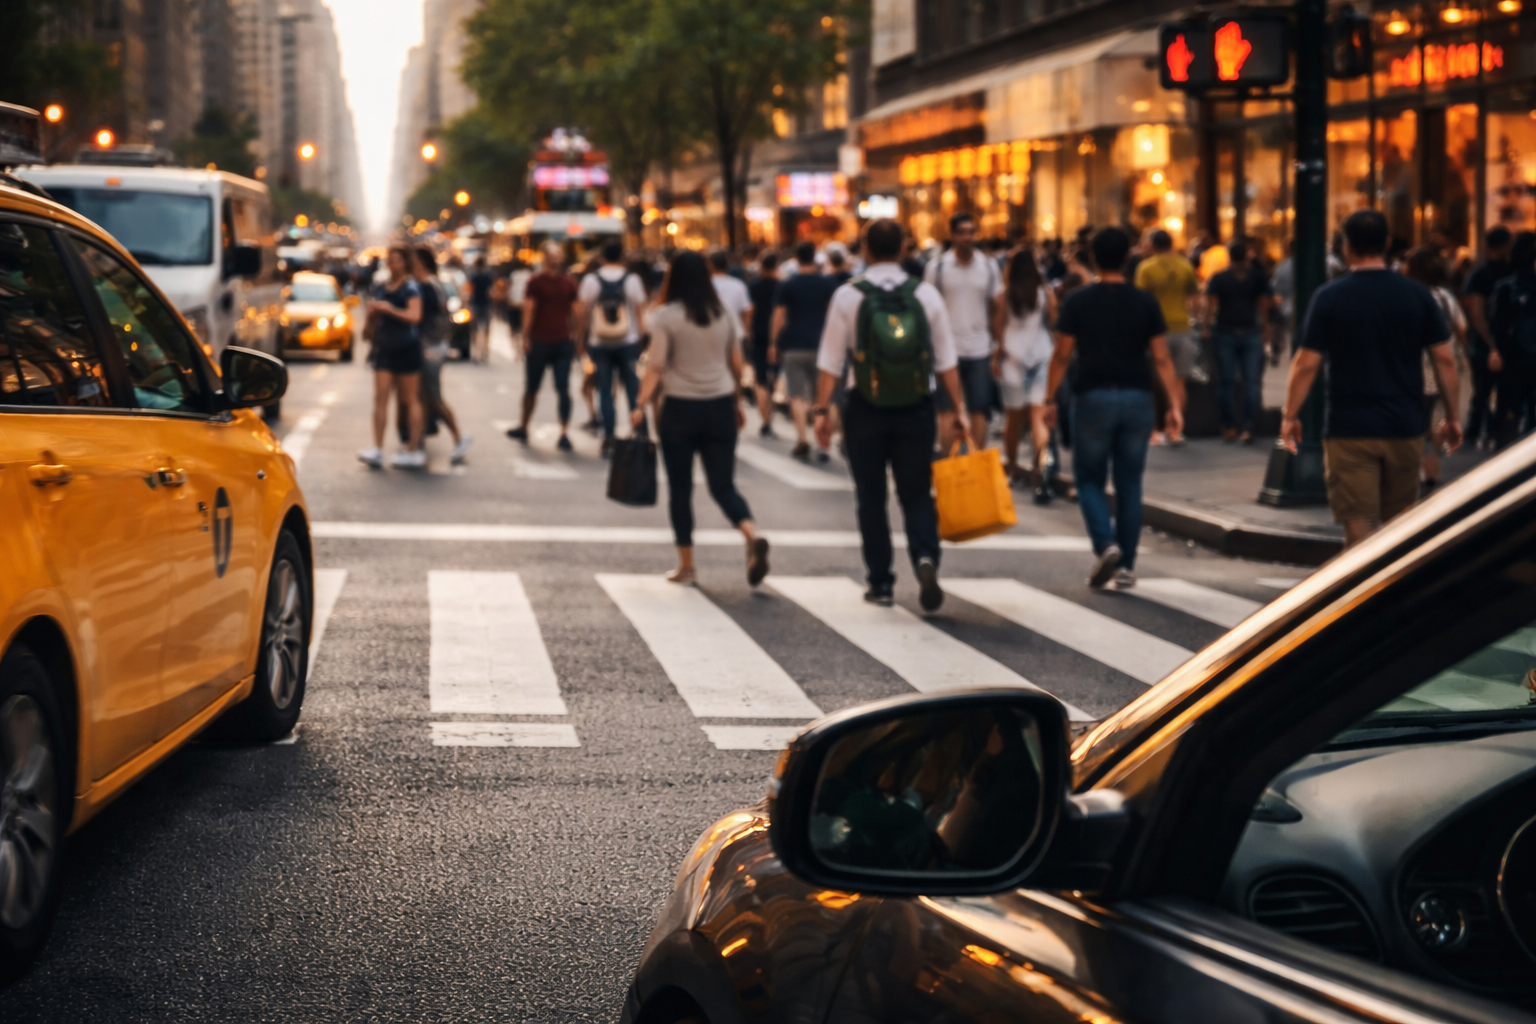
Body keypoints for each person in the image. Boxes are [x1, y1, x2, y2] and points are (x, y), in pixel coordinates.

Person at [812, 218, 971, 611]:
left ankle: (880, 582)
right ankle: (925, 556)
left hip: (864, 406)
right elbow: (946, 360)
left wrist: (820, 411)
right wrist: (959, 408)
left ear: (864, 250)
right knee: (916, 492)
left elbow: (830, 362)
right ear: (903, 249)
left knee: (871, 496)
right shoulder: (926, 295)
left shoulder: (849, 296)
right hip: (916, 406)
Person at [1281, 209, 1460, 549]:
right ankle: (1395, 598)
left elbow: (1306, 364)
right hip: (1404, 425)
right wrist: (1452, 417)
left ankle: (1360, 598)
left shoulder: (1329, 296)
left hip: (1350, 428)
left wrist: (1290, 415)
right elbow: (1445, 359)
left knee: (1358, 529)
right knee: (1400, 526)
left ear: (1347, 247)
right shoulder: (1418, 294)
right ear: (1388, 244)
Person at [1044, 227, 1184, 590]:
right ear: (1128, 258)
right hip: (1138, 399)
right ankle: (1127, 566)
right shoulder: (1144, 302)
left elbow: (1061, 354)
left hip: (1092, 397)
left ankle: (1106, 543)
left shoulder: (1077, 302)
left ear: (1092, 258)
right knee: (1129, 484)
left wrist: (1048, 398)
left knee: (1089, 479)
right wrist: (1173, 405)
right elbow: (1161, 358)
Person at [631, 250, 769, 587]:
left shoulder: (666, 316)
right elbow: (736, 364)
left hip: (680, 407)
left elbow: (657, 364)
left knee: (680, 489)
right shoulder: (723, 313)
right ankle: (751, 533)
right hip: (720, 404)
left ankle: (687, 565)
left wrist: (640, 402)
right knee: (723, 485)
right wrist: (737, 402)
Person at [925, 212, 1001, 452]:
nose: (968, 237)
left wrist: (998, 346)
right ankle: (951, 467)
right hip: (947, 351)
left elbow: (996, 307)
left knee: (979, 409)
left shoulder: (988, 267)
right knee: (947, 410)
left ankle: (976, 466)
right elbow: (928, 310)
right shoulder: (936, 268)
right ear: (952, 235)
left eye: (971, 232)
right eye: (962, 232)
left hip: (981, 348)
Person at [991, 245, 1056, 490]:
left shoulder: (1004, 294)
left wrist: (997, 355)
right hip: (1042, 354)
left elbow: (997, 328)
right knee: (1039, 418)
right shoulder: (1044, 292)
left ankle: (1011, 468)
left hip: (1012, 358)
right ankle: (1042, 470)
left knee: (1013, 419)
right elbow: (1053, 320)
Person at [508, 242, 581, 452]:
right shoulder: (539, 282)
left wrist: (577, 336)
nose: (556, 259)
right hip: (545, 341)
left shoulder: (564, 282)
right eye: (554, 255)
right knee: (536, 387)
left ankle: (561, 430)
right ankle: (526, 425)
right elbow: (530, 309)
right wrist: (525, 337)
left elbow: (575, 311)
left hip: (557, 341)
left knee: (559, 388)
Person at [359, 245, 427, 469]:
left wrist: (389, 309)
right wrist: (372, 315)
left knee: (409, 400)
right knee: (380, 398)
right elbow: (371, 319)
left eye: (397, 260)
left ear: (405, 262)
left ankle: (413, 449)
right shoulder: (380, 286)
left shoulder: (411, 287)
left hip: (407, 347)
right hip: (384, 347)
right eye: (390, 260)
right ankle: (377, 448)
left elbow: (415, 316)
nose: (392, 264)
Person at [771, 241, 840, 461]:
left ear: (796, 259)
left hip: (794, 345)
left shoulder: (788, 285)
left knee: (797, 395)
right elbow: (833, 315)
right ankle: (823, 444)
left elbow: (779, 316)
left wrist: (774, 343)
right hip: (822, 347)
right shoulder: (826, 284)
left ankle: (802, 438)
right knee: (822, 397)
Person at [1403, 246, 1466, 488]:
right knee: (1430, 422)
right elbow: (1461, 329)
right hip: (1443, 371)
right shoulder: (1446, 297)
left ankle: (1426, 472)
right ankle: (1431, 471)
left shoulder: (1410, 297)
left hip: (1417, 369)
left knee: (1420, 427)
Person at [577, 241, 647, 456]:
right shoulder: (632, 280)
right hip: (627, 341)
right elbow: (639, 312)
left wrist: (581, 339)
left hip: (600, 342)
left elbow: (583, 313)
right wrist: (642, 338)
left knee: (605, 390)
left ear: (601, 257)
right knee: (633, 388)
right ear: (622, 257)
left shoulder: (591, 280)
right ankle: (640, 432)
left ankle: (609, 437)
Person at [1133, 229, 1200, 446]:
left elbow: (1139, 300)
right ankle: (1175, 429)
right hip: (1182, 327)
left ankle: (1154, 430)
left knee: (1154, 381)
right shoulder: (1185, 265)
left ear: (1152, 244)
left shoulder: (1146, 268)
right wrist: (1195, 320)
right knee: (1179, 381)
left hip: (1156, 331)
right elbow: (1196, 299)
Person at [406, 247, 472, 463]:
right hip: (434, 345)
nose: (410, 265)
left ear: (421, 263)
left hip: (429, 346)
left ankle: (458, 437)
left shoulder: (426, 286)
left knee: (432, 398)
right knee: (424, 397)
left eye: (413, 261)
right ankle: (416, 444)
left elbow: (422, 316)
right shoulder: (436, 284)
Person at [1204, 240, 1272, 444]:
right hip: (1250, 330)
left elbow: (1212, 305)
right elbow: (1263, 305)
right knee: (1251, 381)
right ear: (1246, 256)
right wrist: (1266, 328)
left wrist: (1206, 325)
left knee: (1225, 381)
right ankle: (1248, 427)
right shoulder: (1257, 277)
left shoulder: (1219, 278)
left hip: (1225, 331)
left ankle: (1229, 426)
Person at [1462, 226, 1512, 449]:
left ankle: (1474, 433)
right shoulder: (1511, 272)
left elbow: (1476, 314)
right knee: (1501, 392)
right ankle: (1493, 432)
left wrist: (1489, 342)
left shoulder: (1479, 274)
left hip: (1483, 345)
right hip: (1506, 343)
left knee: (1481, 392)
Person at [1489, 231, 1536, 448]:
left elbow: (1498, 326)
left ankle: (1508, 452)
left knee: (1510, 409)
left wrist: (1495, 351)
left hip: (1513, 357)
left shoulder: (1506, 287)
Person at [747, 251, 782, 437]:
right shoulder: (781, 286)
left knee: (760, 380)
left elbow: (750, 311)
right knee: (773, 379)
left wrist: (747, 331)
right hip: (777, 339)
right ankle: (770, 415)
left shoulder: (753, 286)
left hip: (758, 335)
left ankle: (765, 420)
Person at [467, 256, 494, 363]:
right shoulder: (488, 276)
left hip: (475, 304)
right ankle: (485, 351)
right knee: (486, 329)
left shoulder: (473, 276)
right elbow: (491, 291)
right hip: (485, 304)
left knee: (474, 329)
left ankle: (475, 351)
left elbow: (469, 291)